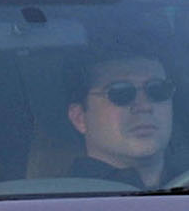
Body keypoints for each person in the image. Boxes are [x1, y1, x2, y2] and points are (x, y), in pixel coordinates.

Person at [66, 50, 176, 187]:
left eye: (158, 90)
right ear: (79, 118)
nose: (144, 106)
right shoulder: (62, 196)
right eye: (121, 93)